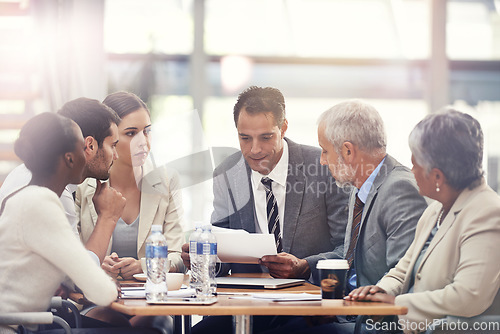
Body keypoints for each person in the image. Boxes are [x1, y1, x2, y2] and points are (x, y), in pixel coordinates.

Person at [186, 86, 350, 333]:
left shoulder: (322, 167)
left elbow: (348, 250)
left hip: (310, 303)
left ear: (283, 128)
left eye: (265, 137)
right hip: (248, 303)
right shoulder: (227, 174)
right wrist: (204, 258)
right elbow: (224, 253)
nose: (254, 150)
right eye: (245, 138)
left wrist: (305, 265)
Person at [346, 109, 500, 333]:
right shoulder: (436, 209)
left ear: (437, 176)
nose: (411, 171)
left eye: (415, 164)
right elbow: (403, 269)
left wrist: (396, 304)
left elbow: (469, 296)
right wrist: (380, 291)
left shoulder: (488, 213)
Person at [303, 99, 428, 333]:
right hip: (349, 312)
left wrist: (342, 309)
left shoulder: (399, 190)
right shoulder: (361, 187)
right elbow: (354, 254)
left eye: (325, 150)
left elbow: (403, 279)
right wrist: (303, 267)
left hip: (378, 324)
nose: (322, 160)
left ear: (348, 151)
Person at [0, 113, 118, 334]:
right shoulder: (41, 203)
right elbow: (102, 292)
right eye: (82, 147)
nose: (88, 154)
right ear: (70, 158)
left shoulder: (26, 196)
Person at [0, 98, 125, 266]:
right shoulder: (51, 190)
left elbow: (66, 267)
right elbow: (80, 275)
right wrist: (108, 217)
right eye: (113, 145)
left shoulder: (31, 174)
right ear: (90, 145)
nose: (116, 156)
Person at [77, 91, 184, 280]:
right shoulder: (82, 185)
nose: (144, 142)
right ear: (111, 137)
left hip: (152, 299)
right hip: (97, 298)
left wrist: (146, 266)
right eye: (131, 133)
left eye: (147, 131)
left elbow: (179, 258)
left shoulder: (167, 180)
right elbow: (70, 256)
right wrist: (95, 261)